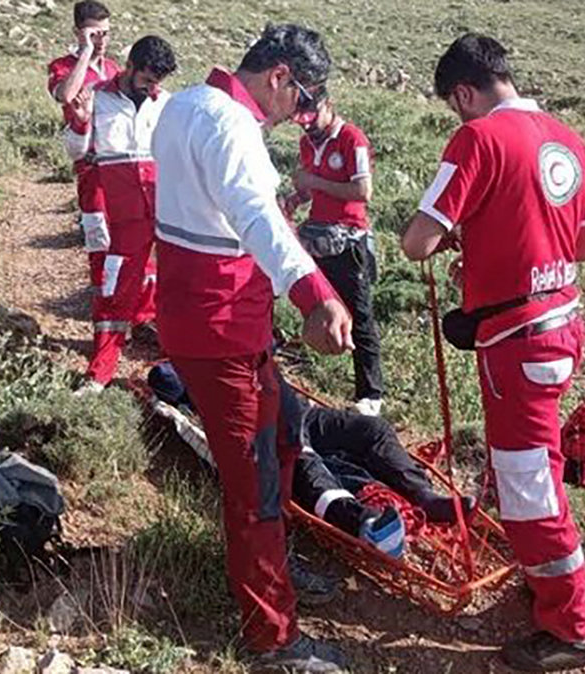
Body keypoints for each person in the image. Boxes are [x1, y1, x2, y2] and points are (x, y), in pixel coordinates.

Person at [149, 23, 354, 674]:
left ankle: (275, 563)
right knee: (255, 480)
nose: (302, 113)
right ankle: (274, 640)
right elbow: (257, 218)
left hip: (211, 321)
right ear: (279, 78)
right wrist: (314, 295)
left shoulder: (181, 105)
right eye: (303, 98)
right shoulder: (234, 129)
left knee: (285, 439)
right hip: (222, 330)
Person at [400, 34, 585, 672]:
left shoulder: (477, 139)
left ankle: (572, 626)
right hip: (562, 324)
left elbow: (417, 241)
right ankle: (547, 586)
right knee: (532, 467)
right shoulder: (566, 137)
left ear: (464, 93)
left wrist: (464, 239)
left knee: (528, 484)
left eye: (453, 106)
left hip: (518, 341)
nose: (455, 118)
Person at [147, 363, 476, 559]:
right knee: (301, 458)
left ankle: (425, 498)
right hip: (258, 425)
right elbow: (163, 378)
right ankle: (362, 522)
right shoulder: (185, 359)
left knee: (372, 429)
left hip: (299, 413)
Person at [65, 36, 175, 392]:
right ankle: (100, 372)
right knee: (114, 291)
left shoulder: (167, 104)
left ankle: (184, 371)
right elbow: (75, 151)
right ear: (129, 67)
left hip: (169, 210)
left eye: (158, 82)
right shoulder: (96, 96)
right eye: (147, 79)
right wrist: (81, 123)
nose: (152, 88)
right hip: (124, 217)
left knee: (180, 285)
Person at [284, 96, 384, 416]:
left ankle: (371, 394)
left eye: (312, 117)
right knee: (306, 297)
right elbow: (312, 188)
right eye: (301, 120)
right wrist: (294, 198)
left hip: (349, 238)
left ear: (328, 105)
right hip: (318, 234)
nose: (308, 125)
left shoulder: (350, 138)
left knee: (360, 314)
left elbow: (362, 191)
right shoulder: (306, 143)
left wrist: (313, 181)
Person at [46, 1, 120, 283]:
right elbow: (65, 94)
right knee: (99, 235)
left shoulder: (113, 68)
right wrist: (86, 53)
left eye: (105, 33)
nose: (101, 41)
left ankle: (135, 315)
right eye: (93, 34)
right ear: (78, 32)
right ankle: (104, 303)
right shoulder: (63, 66)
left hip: (119, 162)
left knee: (127, 236)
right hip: (90, 163)